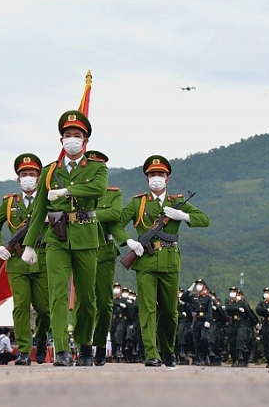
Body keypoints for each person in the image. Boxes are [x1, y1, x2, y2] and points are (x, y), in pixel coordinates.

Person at [20, 110, 107, 366]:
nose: (72, 139)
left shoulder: (97, 168)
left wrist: (67, 190)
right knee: (57, 294)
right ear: (61, 141)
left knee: (86, 297)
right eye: (67, 135)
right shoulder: (48, 172)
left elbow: (98, 188)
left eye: (77, 135)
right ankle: (61, 351)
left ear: (85, 141)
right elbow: (38, 211)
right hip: (56, 238)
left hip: (86, 236)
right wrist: (29, 244)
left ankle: (84, 345)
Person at [118, 155, 210, 367]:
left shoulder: (176, 201)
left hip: (169, 261)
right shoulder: (138, 203)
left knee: (169, 311)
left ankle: (168, 350)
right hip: (146, 262)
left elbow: (204, 220)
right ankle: (152, 353)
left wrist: (183, 216)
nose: (156, 178)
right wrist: (129, 241)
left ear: (167, 178)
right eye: (152, 174)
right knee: (147, 308)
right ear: (146, 178)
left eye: (160, 174)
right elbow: (117, 223)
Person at [0, 153, 51, 366]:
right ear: (18, 178)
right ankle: (24, 351)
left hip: (41, 259)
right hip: (16, 262)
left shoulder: (47, 200)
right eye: (24, 174)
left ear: (39, 177)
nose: (28, 177)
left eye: (32, 174)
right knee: (21, 306)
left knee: (45, 308)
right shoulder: (9, 203)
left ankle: (41, 338)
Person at [89, 151, 132, 366]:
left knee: (105, 304)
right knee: (83, 302)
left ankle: (98, 346)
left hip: (104, 251)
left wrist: (89, 215)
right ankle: (84, 346)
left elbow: (115, 215)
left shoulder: (113, 194)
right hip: (80, 251)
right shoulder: (76, 193)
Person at [182, 280, 213, 366]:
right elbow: (183, 298)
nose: (198, 286)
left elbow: (209, 311)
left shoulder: (208, 298)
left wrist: (208, 320)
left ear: (204, 287)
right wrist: (189, 290)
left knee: (204, 339)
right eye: (197, 284)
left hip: (204, 321)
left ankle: (205, 354)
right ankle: (198, 358)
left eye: (200, 284)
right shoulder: (194, 297)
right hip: (196, 321)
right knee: (196, 341)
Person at [110, 284, 129, 363]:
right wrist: (118, 304)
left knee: (119, 332)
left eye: (118, 288)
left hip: (121, 320)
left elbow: (128, 310)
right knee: (113, 336)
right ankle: (114, 354)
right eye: (115, 288)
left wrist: (130, 322)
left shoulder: (124, 300)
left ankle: (119, 349)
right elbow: (111, 304)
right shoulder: (112, 299)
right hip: (113, 320)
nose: (116, 289)